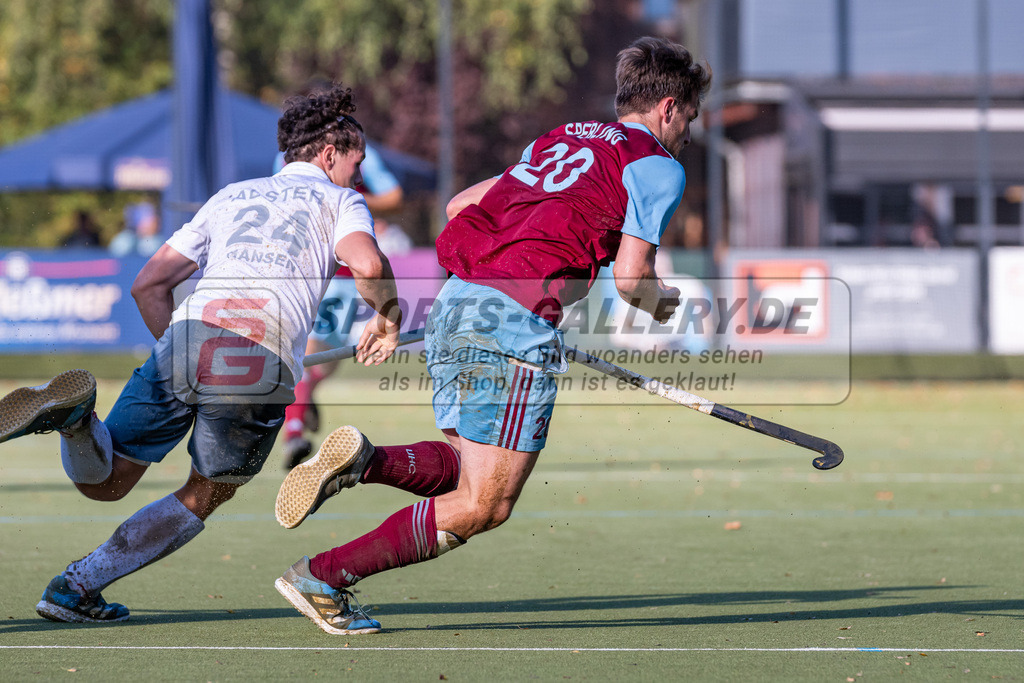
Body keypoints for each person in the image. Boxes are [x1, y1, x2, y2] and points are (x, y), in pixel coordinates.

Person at [272, 36, 711, 635]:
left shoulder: (557, 139)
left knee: (462, 470)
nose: (688, 130)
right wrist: (663, 307)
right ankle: (323, 575)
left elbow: (460, 206)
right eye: (688, 116)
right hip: (513, 321)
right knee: (487, 505)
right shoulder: (658, 167)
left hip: (456, 304)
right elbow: (634, 279)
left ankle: (364, 462)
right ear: (667, 107)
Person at [0, 84, 401, 627]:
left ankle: (75, 422)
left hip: (187, 334)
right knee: (207, 491)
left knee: (106, 480)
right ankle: (79, 584)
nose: (357, 177)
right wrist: (388, 317)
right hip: (259, 359)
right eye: (355, 164)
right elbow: (370, 268)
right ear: (329, 155)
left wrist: (183, 353)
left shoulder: (232, 195)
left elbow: (149, 285)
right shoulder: (340, 200)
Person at [279, 142, 407, 469]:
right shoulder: (291, 156)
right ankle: (294, 430)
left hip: (349, 278)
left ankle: (300, 401)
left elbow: (394, 198)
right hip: (315, 274)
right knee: (308, 357)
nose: (359, 169)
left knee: (325, 363)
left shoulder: (358, 154)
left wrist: (350, 201)